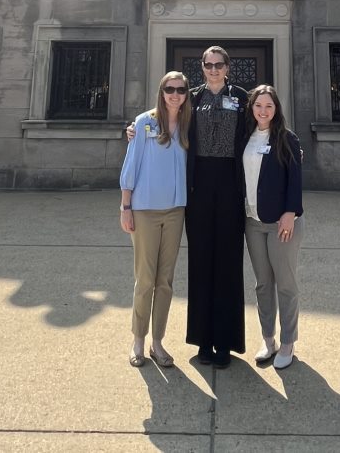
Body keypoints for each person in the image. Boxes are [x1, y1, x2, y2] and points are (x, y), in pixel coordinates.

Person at [119, 71, 191, 368]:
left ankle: (157, 342)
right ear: (161, 92)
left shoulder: (190, 125)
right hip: (145, 210)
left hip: (175, 211)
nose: (175, 94)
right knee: (145, 279)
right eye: (169, 89)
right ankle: (137, 340)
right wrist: (125, 206)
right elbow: (131, 164)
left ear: (187, 94)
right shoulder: (144, 122)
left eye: (181, 89)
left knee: (165, 281)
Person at [185, 46, 249, 368]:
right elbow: (164, 119)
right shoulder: (191, 97)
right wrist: (135, 129)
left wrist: (290, 146)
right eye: (208, 65)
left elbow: (265, 124)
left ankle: (225, 342)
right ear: (202, 67)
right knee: (200, 261)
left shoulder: (242, 98)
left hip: (229, 183)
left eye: (218, 64)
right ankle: (203, 341)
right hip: (198, 186)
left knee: (227, 262)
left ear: (227, 66)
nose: (213, 69)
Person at [242, 84, 304, 370]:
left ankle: (288, 342)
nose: (263, 111)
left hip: (281, 222)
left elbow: (295, 179)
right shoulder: (245, 137)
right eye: (258, 106)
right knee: (263, 284)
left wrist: (290, 212)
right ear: (251, 108)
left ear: (276, 108)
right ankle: (269, 339)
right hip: (253, 222)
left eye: (268, 106)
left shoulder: (286, 139)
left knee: (286, 284)